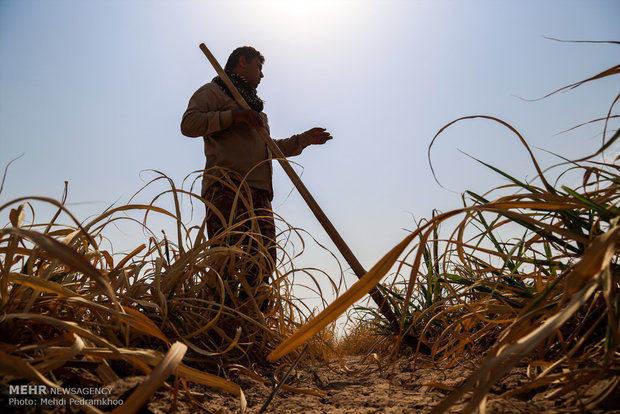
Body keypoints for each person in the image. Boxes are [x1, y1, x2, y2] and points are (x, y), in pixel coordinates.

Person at [180, 46, 332, 305]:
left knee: (263, 260)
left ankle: (252, 323)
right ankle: (219, 322)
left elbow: (267, 148)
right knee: (227, 258)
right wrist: (234, 116)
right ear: (242, 62)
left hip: (259, 193)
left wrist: (303, 140)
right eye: (259, 67)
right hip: (228, 186)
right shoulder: (214, 91)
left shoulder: (256, 110)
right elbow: (189, 124)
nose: (262, 75)